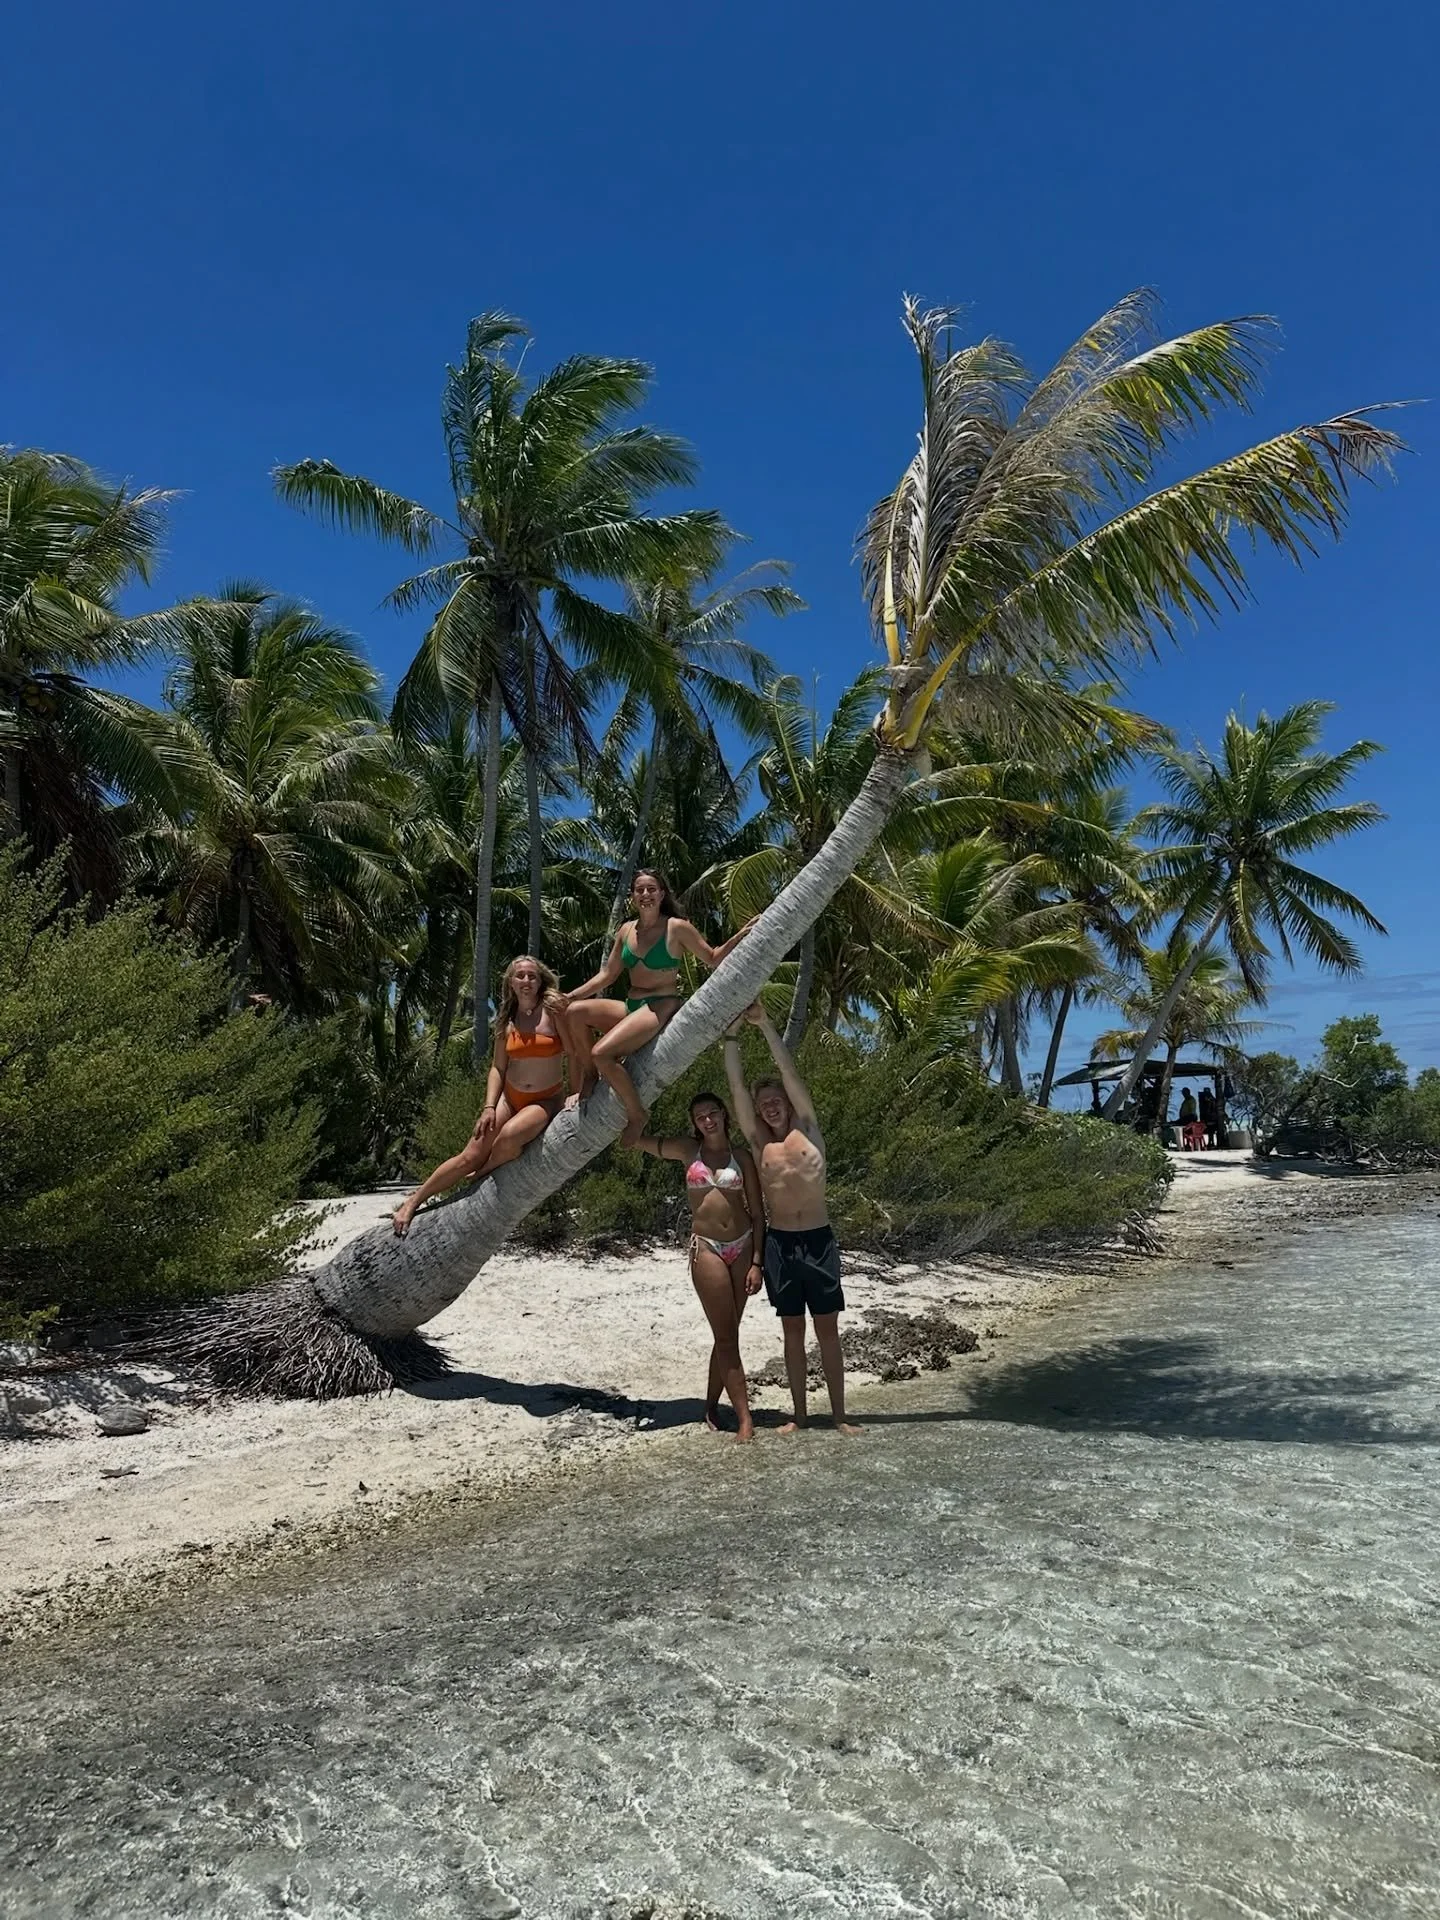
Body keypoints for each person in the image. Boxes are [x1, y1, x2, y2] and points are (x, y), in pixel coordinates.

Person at [723, 1002, 859, 1437]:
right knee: (793, 1332)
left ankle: (839, 1415)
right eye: (764, 1105)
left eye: (776, 1101)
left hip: (818, 1241)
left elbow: (790, 1074)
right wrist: (729, 1040)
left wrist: (764, 1026)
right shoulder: (760, 1143)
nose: (769, 1108)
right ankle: (799, 1415)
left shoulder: (809, 1129)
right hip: (781, 1244)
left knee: (828, 1332)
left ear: (787, 1102)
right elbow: (737, 1090)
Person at [392, 956, 582, 1236]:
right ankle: (413, 1201)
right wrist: (489, 1107)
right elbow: (498, 1068)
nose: (526, 981)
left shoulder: (553, 1011)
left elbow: (574, 1052)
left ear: (541, 980)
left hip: (545, 1100)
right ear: (511, 982)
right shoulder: (506, 1019)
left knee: (510, 1136)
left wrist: (576, 1092)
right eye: (520, 976)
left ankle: (483, 1173)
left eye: (532, 976)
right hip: (509, 1098)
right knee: (468, 1156)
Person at [563, 868, 754, 1144]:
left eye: (651, 889)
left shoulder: (676, 928)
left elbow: (712, 958)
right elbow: (608, 975)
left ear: (661, 894)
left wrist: (740, 936)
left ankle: (637, 1114)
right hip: (632, 1006)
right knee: (575, 1013)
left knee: (601, 1053)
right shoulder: (626, 930)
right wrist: (571, 997)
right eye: (639, 890)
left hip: (660, 1005)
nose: (645, 895)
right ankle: (590, 1076)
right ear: (632, 897)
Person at [631, 1092, 765, 1441]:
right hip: (706, 1248)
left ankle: (709, 1405)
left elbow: (759, 1213)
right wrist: (634, 1112)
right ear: (694, 1123)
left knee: (728, 1335)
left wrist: (757, 1263)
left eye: (712, 1113)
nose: (707, 1120)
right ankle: (745, 1419)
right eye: (700, 1116)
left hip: (743, 1244)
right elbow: (633, 1141)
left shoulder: (742, 1158)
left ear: (724, 1115)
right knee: (725, 1336)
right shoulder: (687, 1150)